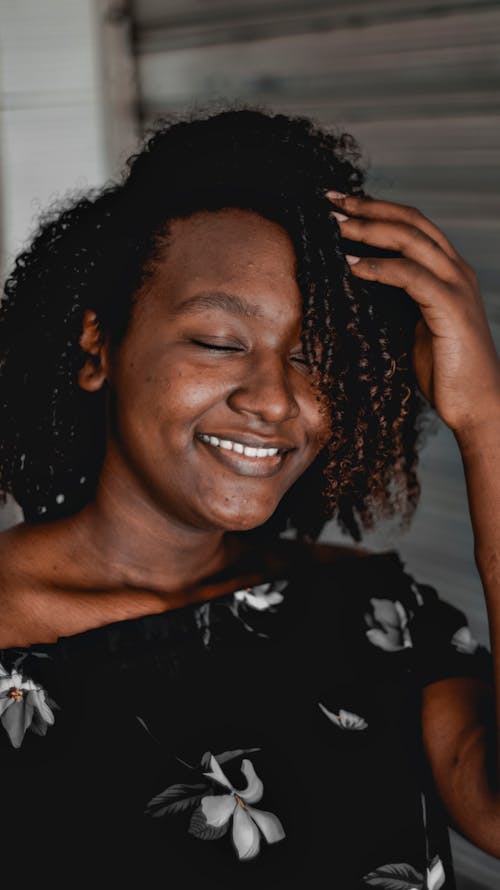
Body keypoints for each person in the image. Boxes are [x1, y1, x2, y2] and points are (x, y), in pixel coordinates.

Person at [0, 107, 498, 889]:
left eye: (314, 357)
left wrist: (485, 423)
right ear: (98, 347)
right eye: (219, 342)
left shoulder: (380, 615)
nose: (275, 399)